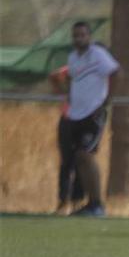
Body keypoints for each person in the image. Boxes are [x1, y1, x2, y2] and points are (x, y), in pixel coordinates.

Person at [65, 21, 119, 217]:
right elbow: (72, 79)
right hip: (76, 114)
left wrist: (106, 101)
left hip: (93, 114)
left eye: (83, 35)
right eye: (76, 35)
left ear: (89, 36)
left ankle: (98, 205)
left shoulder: (97, 54)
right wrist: (70, 98)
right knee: (80, 158)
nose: (79, 38)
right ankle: (91, 203)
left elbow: (114, 72)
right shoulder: (72, 57)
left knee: (86, 155)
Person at [49, 65, 85, 215]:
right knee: (67, 162)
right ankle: (63, 202)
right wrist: (63, 91)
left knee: (81, 162)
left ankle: (78, 202)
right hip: (68, 119)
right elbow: (54, 75)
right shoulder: (74, 67)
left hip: (85, 119)